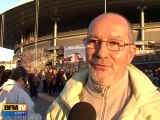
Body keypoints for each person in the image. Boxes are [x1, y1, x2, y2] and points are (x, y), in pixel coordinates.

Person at [46, 12, 160, 120]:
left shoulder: (155, 109)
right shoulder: (59, 106)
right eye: (93, 41)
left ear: (130, 53)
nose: (101, 53)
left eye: (114, 43)